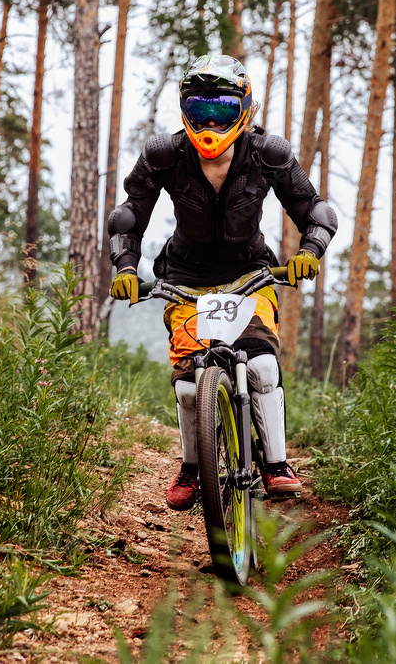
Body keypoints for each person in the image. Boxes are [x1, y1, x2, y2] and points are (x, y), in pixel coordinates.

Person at [107, 54, 338, 511]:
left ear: (245, 110)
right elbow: (128, 216)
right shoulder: (164, 155)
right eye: (199, 112)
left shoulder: (267, 154)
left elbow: (315, 210)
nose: (210, 124)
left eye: (223, 111)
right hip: (185, 278)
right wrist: (127, 268)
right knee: (190, 387)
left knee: (262, 369)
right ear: (183, 113)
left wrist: (309, 253)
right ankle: (192, 469)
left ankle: (276, 464)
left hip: (250, 274)